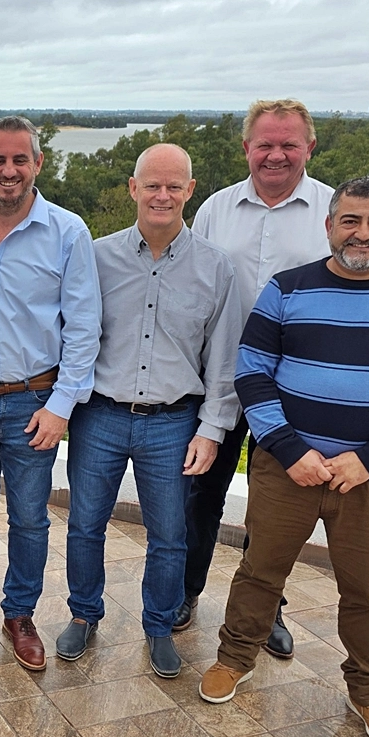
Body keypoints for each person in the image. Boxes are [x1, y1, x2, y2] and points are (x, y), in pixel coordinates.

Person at [199, 176, 369, 737]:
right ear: (329, 225)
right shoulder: (287, 290)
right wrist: (292, 451)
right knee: (260, 572)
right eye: (350, 220)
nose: (362, 233)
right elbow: (252, 372)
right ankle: (233, 657)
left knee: (368, 592)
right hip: (287, 469)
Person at [57, 144, 241, 677]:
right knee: (85, 525)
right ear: (133, 189)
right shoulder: (94, 257)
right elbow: (71, 335)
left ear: (190, 191)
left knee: (169, 536)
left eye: (174, 185)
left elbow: (223, 359)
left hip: (174, 421)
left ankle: (159, 627)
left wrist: (211, 429)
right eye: (152, 185)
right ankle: (83, 614)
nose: (162, 195)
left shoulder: (215, 268)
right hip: (101, 416)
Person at [0, 116, 102, 671]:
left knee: (30, 518)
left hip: (34, 402)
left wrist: (60, 407)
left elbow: (84, 328)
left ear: (38, 164)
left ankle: (20, 614)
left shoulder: (68, 232)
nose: (9, 171)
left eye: (20, 160)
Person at [179, 99, 334, 659]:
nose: (276, 154)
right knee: (199, 494)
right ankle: (185, 591)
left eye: (288, 144)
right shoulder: (216, 210)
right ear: (247, 148)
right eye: (264, 144)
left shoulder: (332, 212)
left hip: (294, 390)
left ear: (309, 148)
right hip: (216, 380)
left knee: (280, 508)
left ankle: (265, 609)